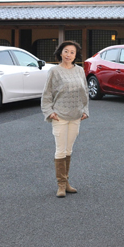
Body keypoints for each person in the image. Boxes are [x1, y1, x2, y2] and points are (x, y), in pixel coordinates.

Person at [41, 40, 89, 198]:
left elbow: (85, 93)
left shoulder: (80, 70)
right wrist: (49, 112)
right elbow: (47, 94)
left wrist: (85, 110)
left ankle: (67, 182)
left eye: (72, 52)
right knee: (60, 150)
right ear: (60, 53)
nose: (69, 55)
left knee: (69, 150)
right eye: (66, 51)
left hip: (76, 116)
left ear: (76, 55)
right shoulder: (54, 71)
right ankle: (61, 185)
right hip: (60, 116)